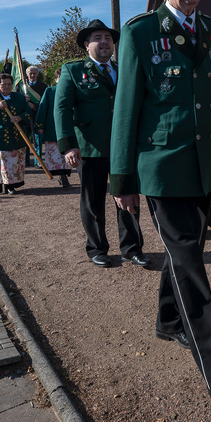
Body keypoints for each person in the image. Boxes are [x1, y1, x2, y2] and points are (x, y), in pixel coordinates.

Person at [110, 0, 211, 416]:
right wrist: (122, 179)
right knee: (191, 262)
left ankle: (168, 321)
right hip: (164, 168)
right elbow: (126, 110)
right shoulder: (139, 33)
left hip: (208, 167)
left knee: (185, 253)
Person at [56, 20, 147, 267]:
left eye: (108, 38)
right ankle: (97, 248)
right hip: (90, 147)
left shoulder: (124, 69)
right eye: (98, 38)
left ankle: (132, 247)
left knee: (128, 197)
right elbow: (62, 108)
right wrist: (69, 145)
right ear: (87, 45)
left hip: (124, 147)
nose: (104, 42)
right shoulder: (72, 70)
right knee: (93, 200)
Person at [35, 68, 75, 188]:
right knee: (55, 155)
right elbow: (42, 108)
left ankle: (64, 175)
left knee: (67, 153)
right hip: (52, 127)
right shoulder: (50, 91)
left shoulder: (72, 90)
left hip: (68, 126)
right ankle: (62, 177)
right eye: (60, 78)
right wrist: (40, 125)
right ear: (56, 79)